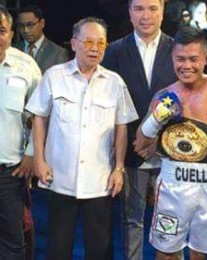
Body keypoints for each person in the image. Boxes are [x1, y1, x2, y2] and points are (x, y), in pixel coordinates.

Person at [133, 0, 207, 258]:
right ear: (172, 58)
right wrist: (156, 119)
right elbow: (140, 143)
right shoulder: (164, 95)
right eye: (180, 59)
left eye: (193, 59)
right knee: (165, 253)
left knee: (200, 254)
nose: (186, 65)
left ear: (206, 59)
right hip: (173, 186)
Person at [26, 17, 138, 260]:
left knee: (100, 248)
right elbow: (39, 118)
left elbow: (121, 127)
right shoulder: (55, 76)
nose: (95, 48)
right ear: (74, 43)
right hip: (59, 176)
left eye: (101, 42)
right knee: (57, 246)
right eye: (88, 41)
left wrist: (119, 168)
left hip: (100, 180)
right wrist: (39, 159)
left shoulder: (115, 83)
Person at [101, 0, 178, 259]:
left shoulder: (178, 48)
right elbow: (109, 103)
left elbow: (187, 98)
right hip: (131, 152)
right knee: (132, 220)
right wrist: (139, 142)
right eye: (139, 9)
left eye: (152, 8)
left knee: (172, 219)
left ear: (163, 12)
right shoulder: (113, 51)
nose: (146, 15)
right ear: (130, 13)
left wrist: (157, 141)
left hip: (171, 152)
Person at [0, 5, 41, 260]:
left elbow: (41, 115)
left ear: (10, 33)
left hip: (10, 173)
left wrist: (32, 153)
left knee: (14, 243)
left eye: (1, 30)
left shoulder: (26, 65)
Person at [15, 4, 69, 74]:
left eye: (30, 24)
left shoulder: (58, 53)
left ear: (42, 23)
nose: (26, 30)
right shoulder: (13, 50)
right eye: (21, 26)